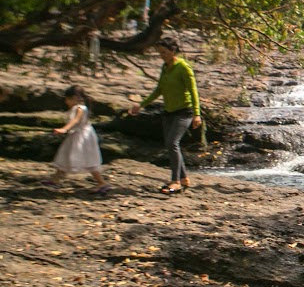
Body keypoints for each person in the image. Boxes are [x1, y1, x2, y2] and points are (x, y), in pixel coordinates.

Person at [128, 36, 202, 194]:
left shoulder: (183, 67)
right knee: (171, 145)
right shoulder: (165, 67)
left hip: (184, 112)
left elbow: (193, 91)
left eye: (164, 52)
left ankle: (175, 181)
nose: (162, 55)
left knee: (172, 143)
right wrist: (141, 105)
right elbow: (159, 89)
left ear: (173, 51)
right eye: (160, 53)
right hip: (169, 112)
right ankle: (183, 178)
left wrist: (197, 114)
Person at [43, 85, 110, 194]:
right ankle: (55, 179)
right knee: (65, 155)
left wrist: (64, 129)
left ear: (73, 98)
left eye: (67, 99)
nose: (66, 102)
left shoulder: (80, 108)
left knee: (88, 159)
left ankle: (102, 182)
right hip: (77, 135)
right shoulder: (78, 107)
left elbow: (75, 120)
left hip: (83, 137)